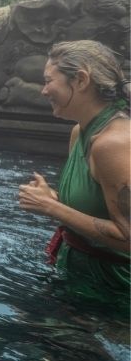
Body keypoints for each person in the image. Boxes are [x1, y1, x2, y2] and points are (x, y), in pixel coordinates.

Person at [18, 40, 130, 302]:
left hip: (115, 291)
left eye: (49, 81)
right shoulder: (80, 132)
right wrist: (54, 198)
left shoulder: (113, 144)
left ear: (80, 80)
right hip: (79, 277)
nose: (44, 90)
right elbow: (96, 208)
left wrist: (51, 207)